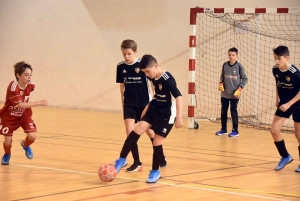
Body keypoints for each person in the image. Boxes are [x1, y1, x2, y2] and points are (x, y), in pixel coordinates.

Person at [114, 54, 183, 183]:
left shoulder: (167, 79)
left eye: (147, 71)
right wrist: (147, 109)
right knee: (137, 129)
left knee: (157, 141)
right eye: (144, 72)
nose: (146, 74)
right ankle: (122, 159)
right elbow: (157, 96)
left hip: (167, 114)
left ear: (155, 66)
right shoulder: (152, 77)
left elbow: (178, 97)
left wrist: (179, 117)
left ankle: (155, 171)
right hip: (154, 108)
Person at [116, 40, 167, 172]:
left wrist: (155, 100)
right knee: (129, 131)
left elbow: (152, 82)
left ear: (135, 52)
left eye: (129, 54)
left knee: (149, 132)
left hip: (144, 103)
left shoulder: (143, 65)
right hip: (129, 103)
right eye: (124, 54)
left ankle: (160, 155)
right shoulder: (120, 67)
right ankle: (136, 161)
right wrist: (122, 102)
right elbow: (122, 86)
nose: (126, 57)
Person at [0, 61, 48, 165]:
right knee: (8, 142)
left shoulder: (31, 85)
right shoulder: (13, 87)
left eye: (30, 75)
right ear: (18, 75)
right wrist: (39, 102)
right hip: (9, 116)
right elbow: (20, 104)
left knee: (32, 137)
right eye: (26, 75)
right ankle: (7, 154)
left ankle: (25, 145)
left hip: (24, 115)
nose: (29, 77)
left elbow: (24, 102)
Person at [270, 45, 300, 172]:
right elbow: (278, 84)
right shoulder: (275, 70)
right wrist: (277, 99)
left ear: (287, 58)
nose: (276, 61)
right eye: (275, 58)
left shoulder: (295, 73)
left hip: (297, 103)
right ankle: (285, 156)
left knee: (298, 134)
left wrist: (289, 104)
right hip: (284, 103)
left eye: (279, 58)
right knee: (274, 130)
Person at [216, 47, 248, 137]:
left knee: (233, 110)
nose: (231, 57)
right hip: (225, 93)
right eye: (229, 55)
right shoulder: (225, 65)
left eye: (233, 55)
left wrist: (240, 88)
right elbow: (222, 76)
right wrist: (221, 83)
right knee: (223, 110)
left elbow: (245, 78)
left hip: (234, 94)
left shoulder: (239, 66)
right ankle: (223, 129)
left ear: (236, 56)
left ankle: (235, 130)